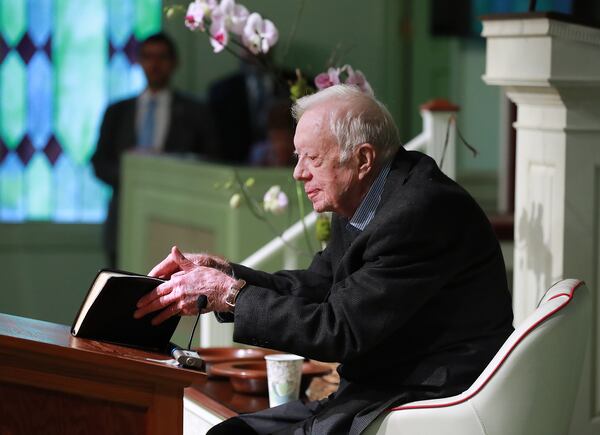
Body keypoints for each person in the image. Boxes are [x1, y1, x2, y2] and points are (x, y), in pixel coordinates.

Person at [134, 84, 514, 434]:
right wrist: (227, 275)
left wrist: (231, 294)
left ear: (362, 159)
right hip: (380, 383)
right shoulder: (365, 196)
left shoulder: (418, 212)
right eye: (299, 157)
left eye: (311, 159)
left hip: (424, 400)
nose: (298, 173)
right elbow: (318, 286)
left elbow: (338, 330)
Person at [92, 32, 217, 267]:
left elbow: (209, 160)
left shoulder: (195, 111)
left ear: (174, 63)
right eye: (148, 57)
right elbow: (99, 163)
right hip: (124, 216)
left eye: (162, 57)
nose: (155, 64)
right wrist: (134, 176)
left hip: (177, 216)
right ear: (139, 61)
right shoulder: (117, 111)